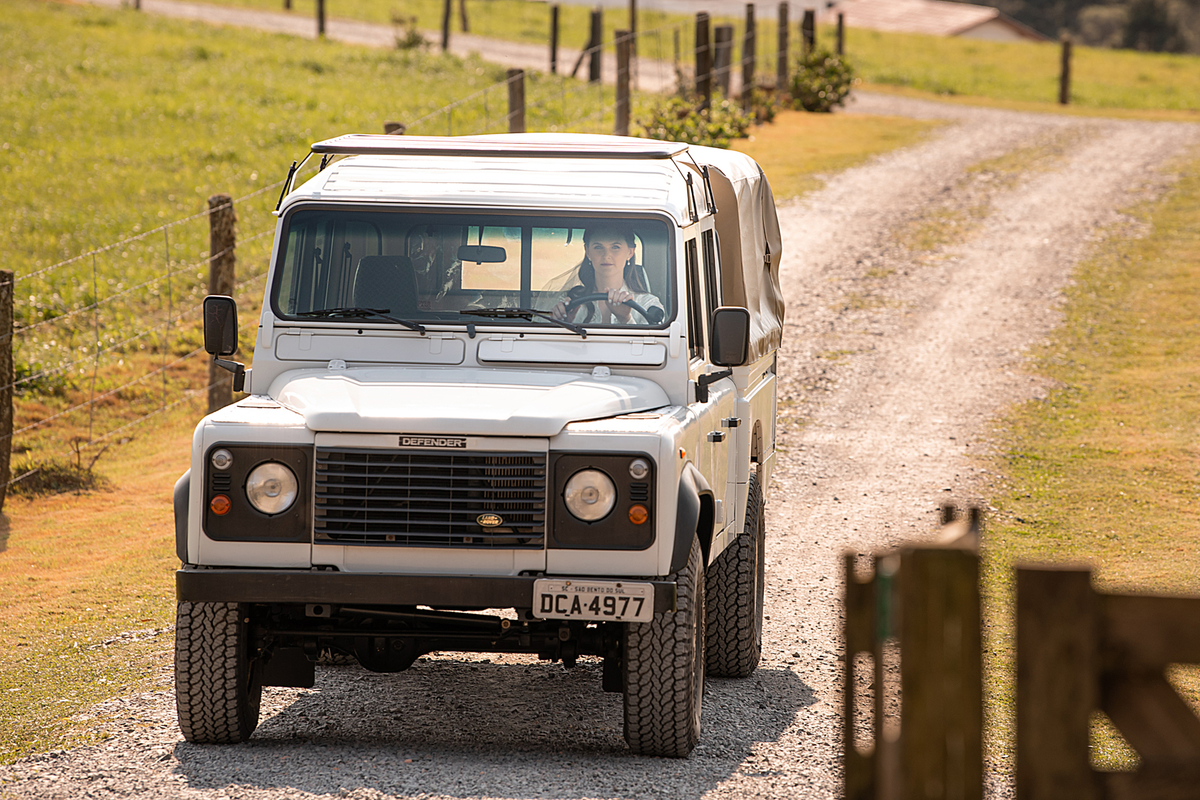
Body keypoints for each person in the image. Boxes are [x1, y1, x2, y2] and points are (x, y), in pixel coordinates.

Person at [550, 227, 664, 325]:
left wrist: (625, 319)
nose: (607, 255)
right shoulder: (569, 301)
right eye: (598, 247)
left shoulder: (648, 304)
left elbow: (652, 347)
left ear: (630, 252)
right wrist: (563, 324)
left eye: (615, 247)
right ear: (588, 252)